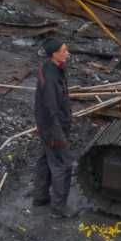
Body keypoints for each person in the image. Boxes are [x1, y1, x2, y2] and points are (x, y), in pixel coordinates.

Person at [33, 39, 75, 217]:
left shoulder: (51, 68)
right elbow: (52, 111)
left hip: (47, 127)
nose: (68, 53)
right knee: (63, 165)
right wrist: (59, 137)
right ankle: (58, 209)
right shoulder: (51, 80)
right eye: (64, 50)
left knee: (45, 160)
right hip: (53, 128)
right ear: (54, 54)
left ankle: (40, 197)